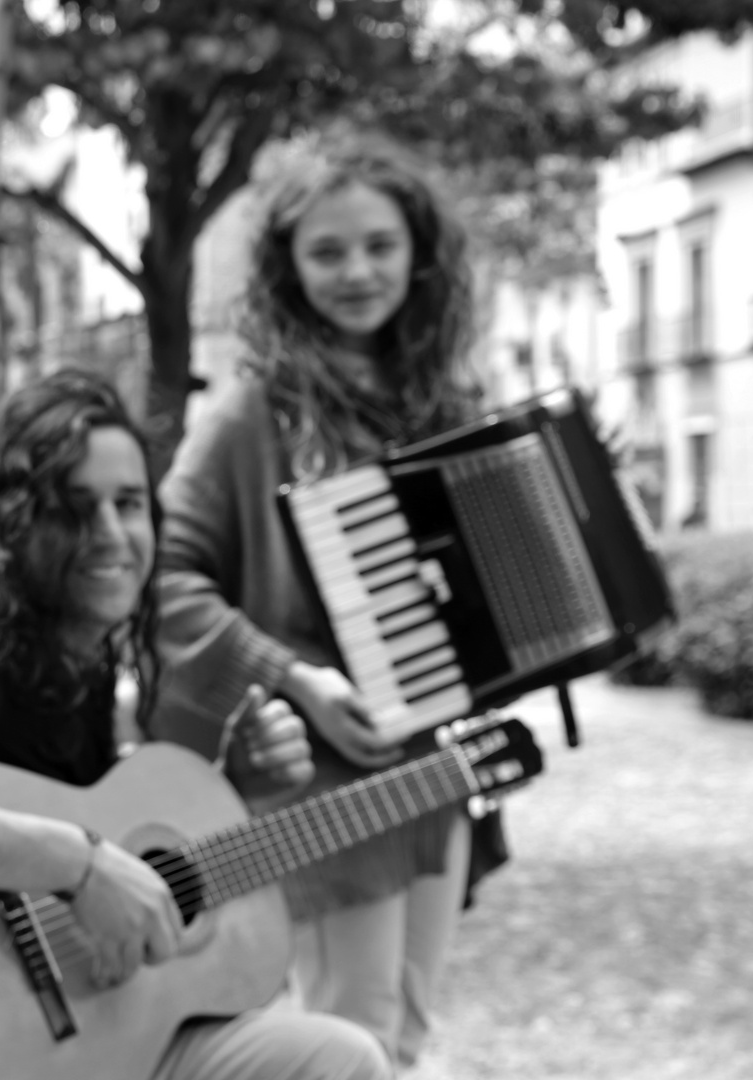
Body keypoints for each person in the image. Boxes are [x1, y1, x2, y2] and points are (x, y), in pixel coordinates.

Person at [0, 370, 390, 1080]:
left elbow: (124, 851)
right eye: (74, 508)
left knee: (339, 1059)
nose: (111, 534)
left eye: (129, 504)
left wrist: (236, 789)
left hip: (101, 1041)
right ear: (12, 526)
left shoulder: (83, 668)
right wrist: (78, 866)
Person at [152, 131, 490, 1070]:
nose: (358, 271)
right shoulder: (247, 416)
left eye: (380, 245)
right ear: (287, 267)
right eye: (328, 251)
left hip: (439, 769)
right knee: (352, 1038)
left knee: (407, 1036)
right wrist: (296, 681)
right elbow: (164, 580)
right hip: (327, 781)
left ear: (420, 255)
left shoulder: (448, 406)